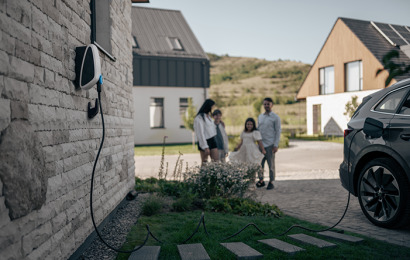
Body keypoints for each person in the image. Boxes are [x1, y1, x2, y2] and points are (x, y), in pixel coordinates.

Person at [256, 97, 281, 190]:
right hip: (260, 144)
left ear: (272, 105)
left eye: (268, 104)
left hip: (270, 145)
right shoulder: (260, 116)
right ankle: (261, 181)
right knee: (259, 164)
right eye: (265, 104)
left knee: (271, 165)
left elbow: (278, 131)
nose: (266, 105)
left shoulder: (275, 117)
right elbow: (257, 130)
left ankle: (271, 182)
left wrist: (276, 145)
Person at [194, 99, 218, 165]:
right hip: (204, 141)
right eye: (212, 106)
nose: (213, 108)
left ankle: (214, 175)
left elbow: (212, 128)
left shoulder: (208, 116)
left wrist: (219, 122)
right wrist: (205, 147)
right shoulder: (199, 118)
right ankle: (202, 175)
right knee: (204, 162)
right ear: (208, 106)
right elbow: (200, 133)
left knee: (216, 162)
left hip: (212, 139)